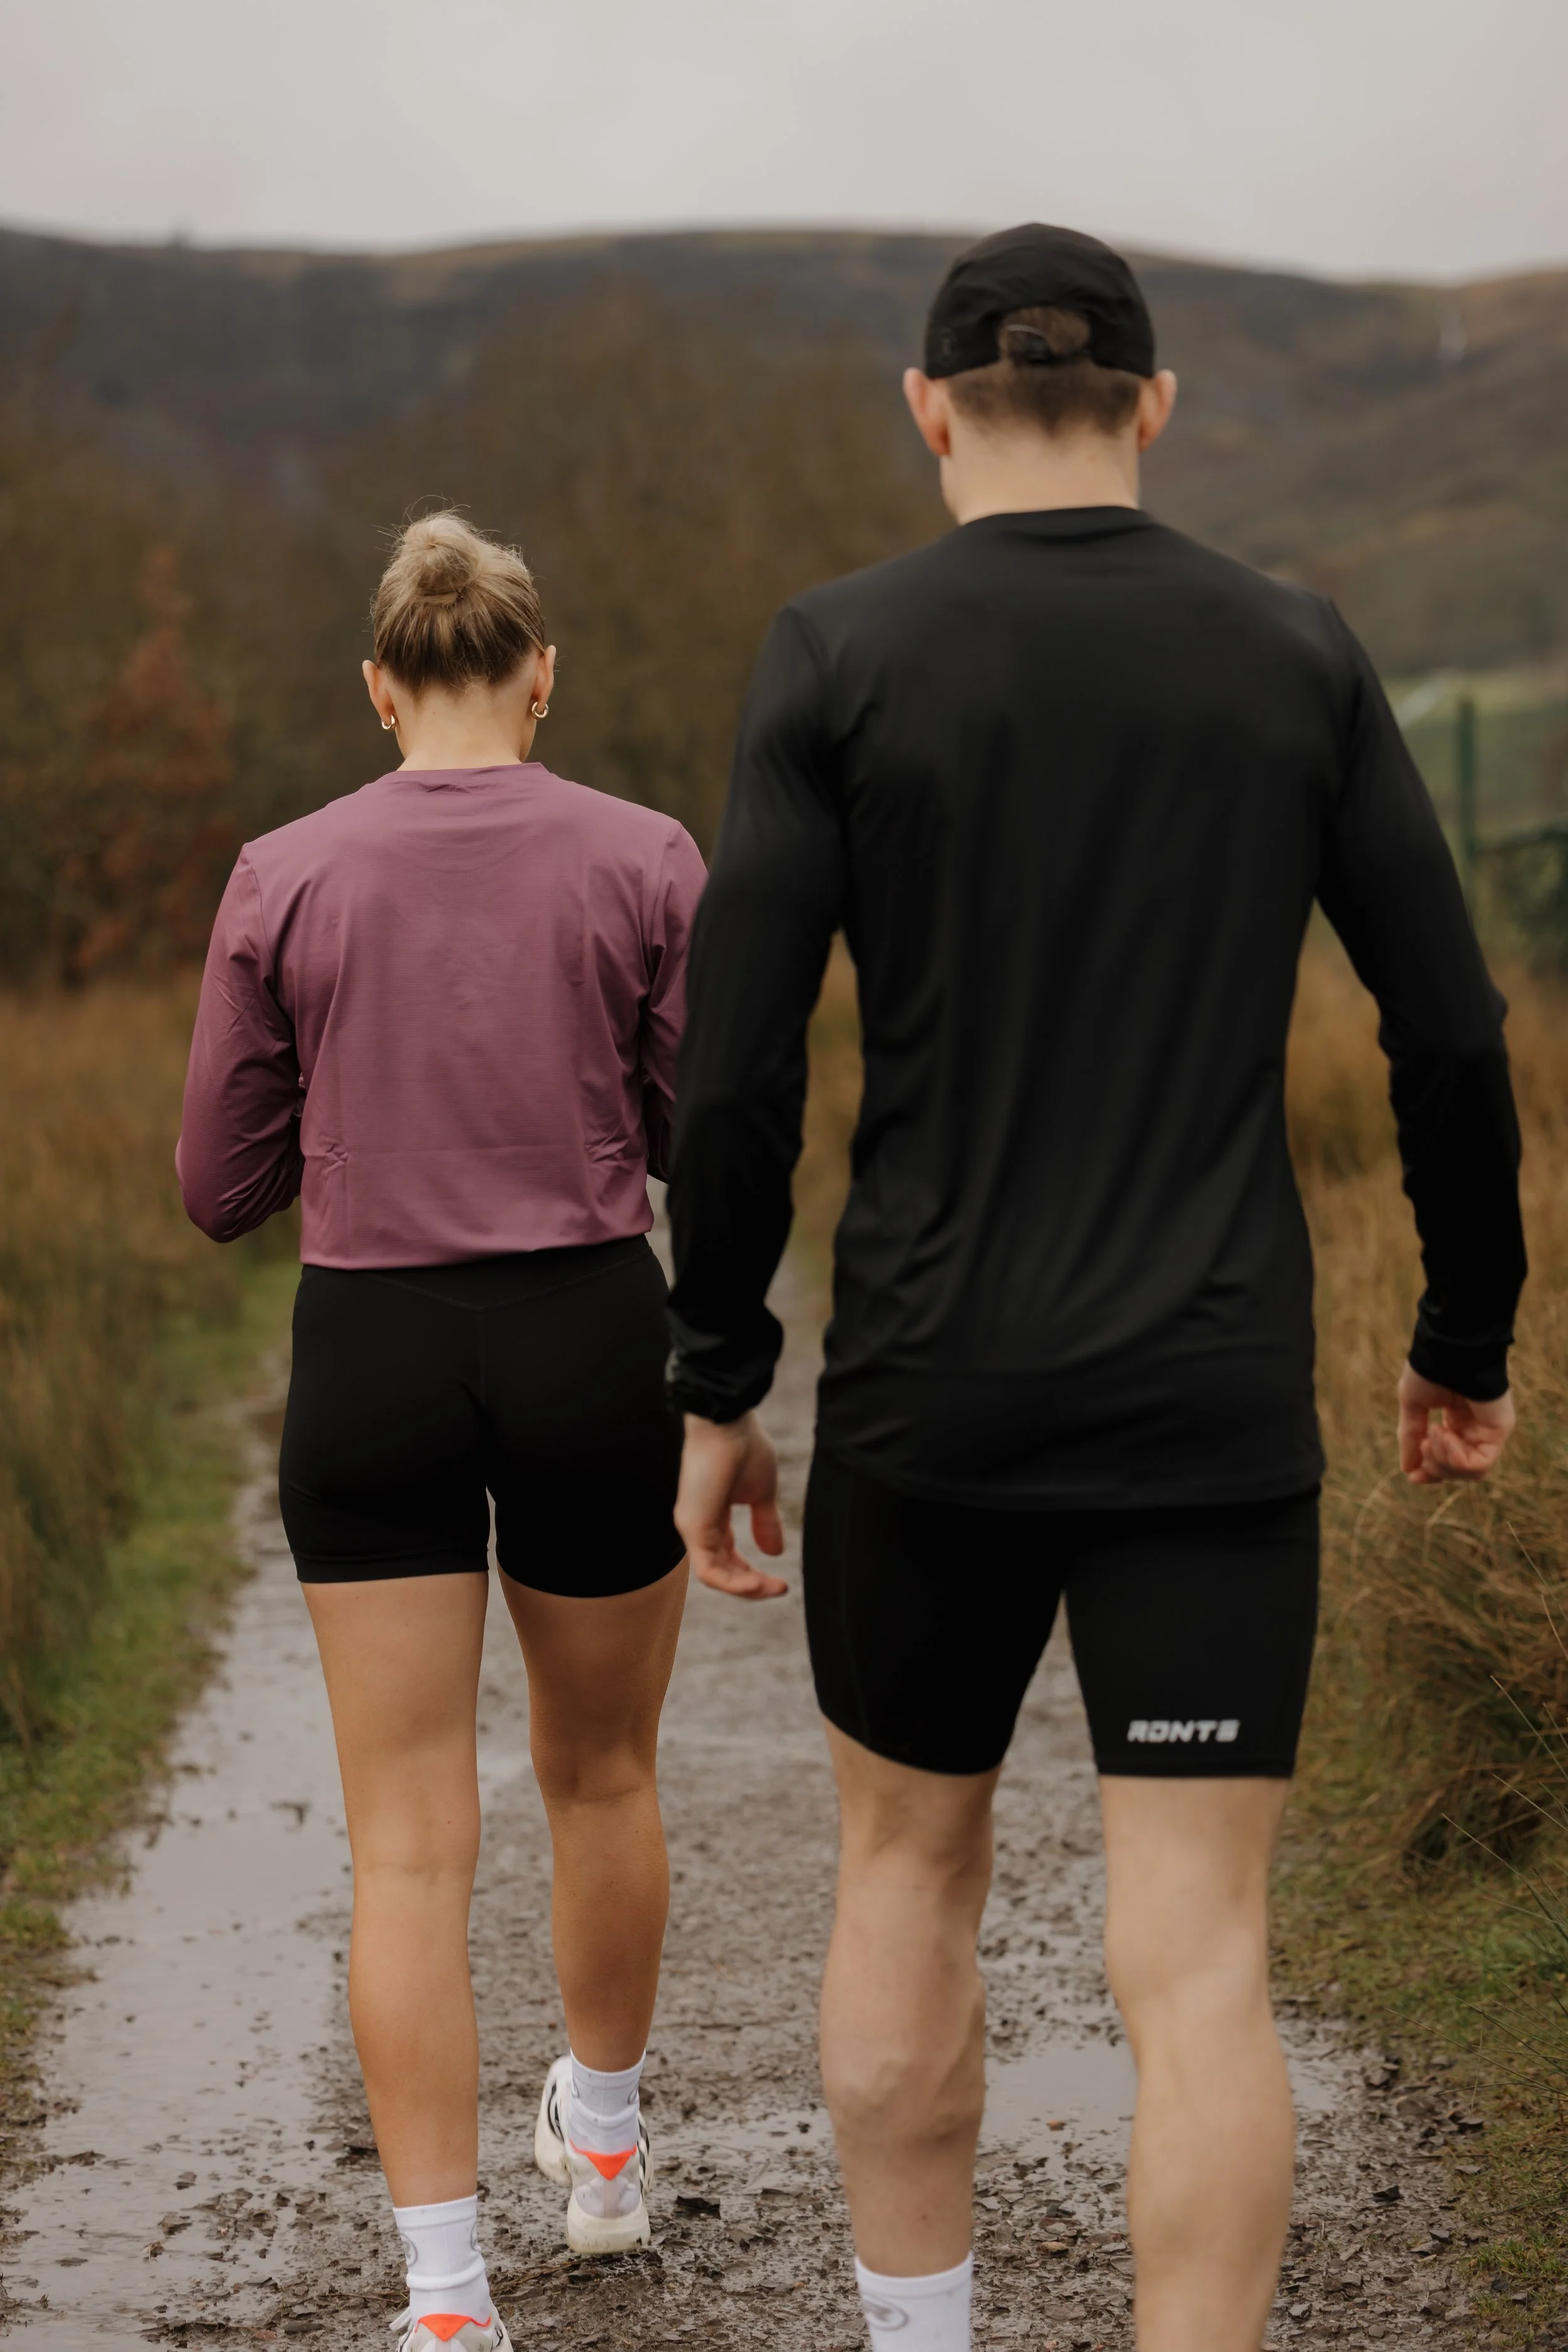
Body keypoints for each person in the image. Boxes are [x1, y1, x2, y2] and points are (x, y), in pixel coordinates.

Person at [666, 225, 1525, 2352]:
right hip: (1206, 1409)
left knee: (900, 1879)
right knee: (1199, 1953)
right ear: (1152, 406)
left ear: (927, 402)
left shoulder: (834, 653)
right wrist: (1461, 1338)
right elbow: (1446, 1031)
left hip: (927, 1400)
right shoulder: (1294, 651)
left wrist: (715, 1376)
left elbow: (739, 1059)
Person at [178, 512, 704, 2352]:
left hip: (374, 1347)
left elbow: (214, 1183)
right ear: (539, 673)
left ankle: (448, 2301)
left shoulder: (283, 871)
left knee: (407, 1841)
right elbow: (702, 1129)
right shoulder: (645, 856)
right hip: (585, 1332)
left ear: (382, 686)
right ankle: (611, 2157)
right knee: (606, 1777)